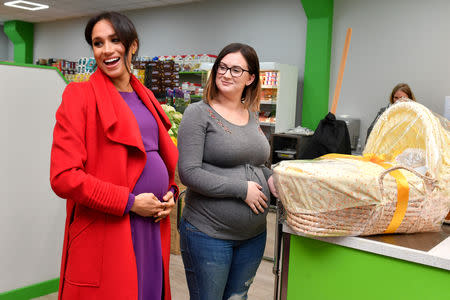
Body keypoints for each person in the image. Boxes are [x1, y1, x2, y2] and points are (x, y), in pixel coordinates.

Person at [50, 12, 178, 300]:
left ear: (132, 45)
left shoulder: (145, 94)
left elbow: (158, 156)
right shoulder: (78, 96)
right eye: (98, 43)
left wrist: (171, 192)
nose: (106, 49)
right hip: (110, 228)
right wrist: (130, 202)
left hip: (151, 227)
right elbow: (63, 178)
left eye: (115, 40)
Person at [177, 43, 279, 300]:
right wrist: (240, 189)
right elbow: (188, 172)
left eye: (236, 69)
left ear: (251, 77)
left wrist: (272, 179)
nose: (226, 74)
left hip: (253, 236)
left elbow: (254, 165)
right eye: (222, 67)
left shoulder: (250, 114)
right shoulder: (198, 113)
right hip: (208, 233)